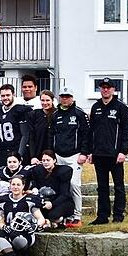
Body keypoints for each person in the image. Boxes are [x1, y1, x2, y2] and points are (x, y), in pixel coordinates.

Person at [87, 77, 128, 225]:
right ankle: (102, 216)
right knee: (102, 187)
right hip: (99, 154)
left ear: (113, 89)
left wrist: (123, 151)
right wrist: (90, 152)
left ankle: (118, 215)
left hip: (115, 155)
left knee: (118, 186)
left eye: (108, 87)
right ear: (100, 89)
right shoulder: (95, 107)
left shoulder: (120, 107)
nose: (105, 90)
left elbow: (127, 130)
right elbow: (91, 131)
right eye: (103, 87)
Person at [50, 87, 89, 227]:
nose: (65, 99)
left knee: (73, 184)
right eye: (63, 96)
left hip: (75, 156)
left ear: (72, 98)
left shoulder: (79, 114)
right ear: (59, 98)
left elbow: (86, 135)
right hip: (59, 155)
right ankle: (65, 215)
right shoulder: (55, 115)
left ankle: (77, 216)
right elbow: (51, 135)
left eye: (68, 96)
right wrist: (51, 154)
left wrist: (84, 153)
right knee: (61, 186)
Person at [0, 175, 47, 256]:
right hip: (10, 230)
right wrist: (4, 227)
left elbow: (41, 218)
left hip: (26, 233)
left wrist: (35, 226)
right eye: (13, 184)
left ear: (23, 186)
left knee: (16, 236)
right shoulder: (4, 200)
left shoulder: (29, 200)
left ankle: (26, 255)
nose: (15, 187)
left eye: (18, 184)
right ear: (9, 186)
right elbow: (0, 221)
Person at [27, 150, 73, 227]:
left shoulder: (63, 171)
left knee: (53, 215)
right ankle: (49, 222)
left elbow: (64, 194)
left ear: (54, 160)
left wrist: (52, 204)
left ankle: (55, 221)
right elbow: (35, 183)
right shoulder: (38, 170)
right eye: (43, 160)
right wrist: (34, 189)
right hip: (44, 200)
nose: (45, 162)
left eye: (48, 160)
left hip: (60, 201)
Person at [0, 84, 30, 165]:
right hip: (2, 152)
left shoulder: (20, 110)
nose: (5, 98)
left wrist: (19, 155)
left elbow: (25, 135)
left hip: (16, 150)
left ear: (13, 94)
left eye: (8, 95)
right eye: (3, 96)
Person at [27, 90, 55, 164]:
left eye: (47, 100)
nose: (45, 103)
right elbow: (31, 137)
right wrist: (33, 156)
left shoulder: (57, 114)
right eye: (42, 100)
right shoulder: (34, 114)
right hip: (38, 154)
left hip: (54, 154)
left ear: (52, 100)